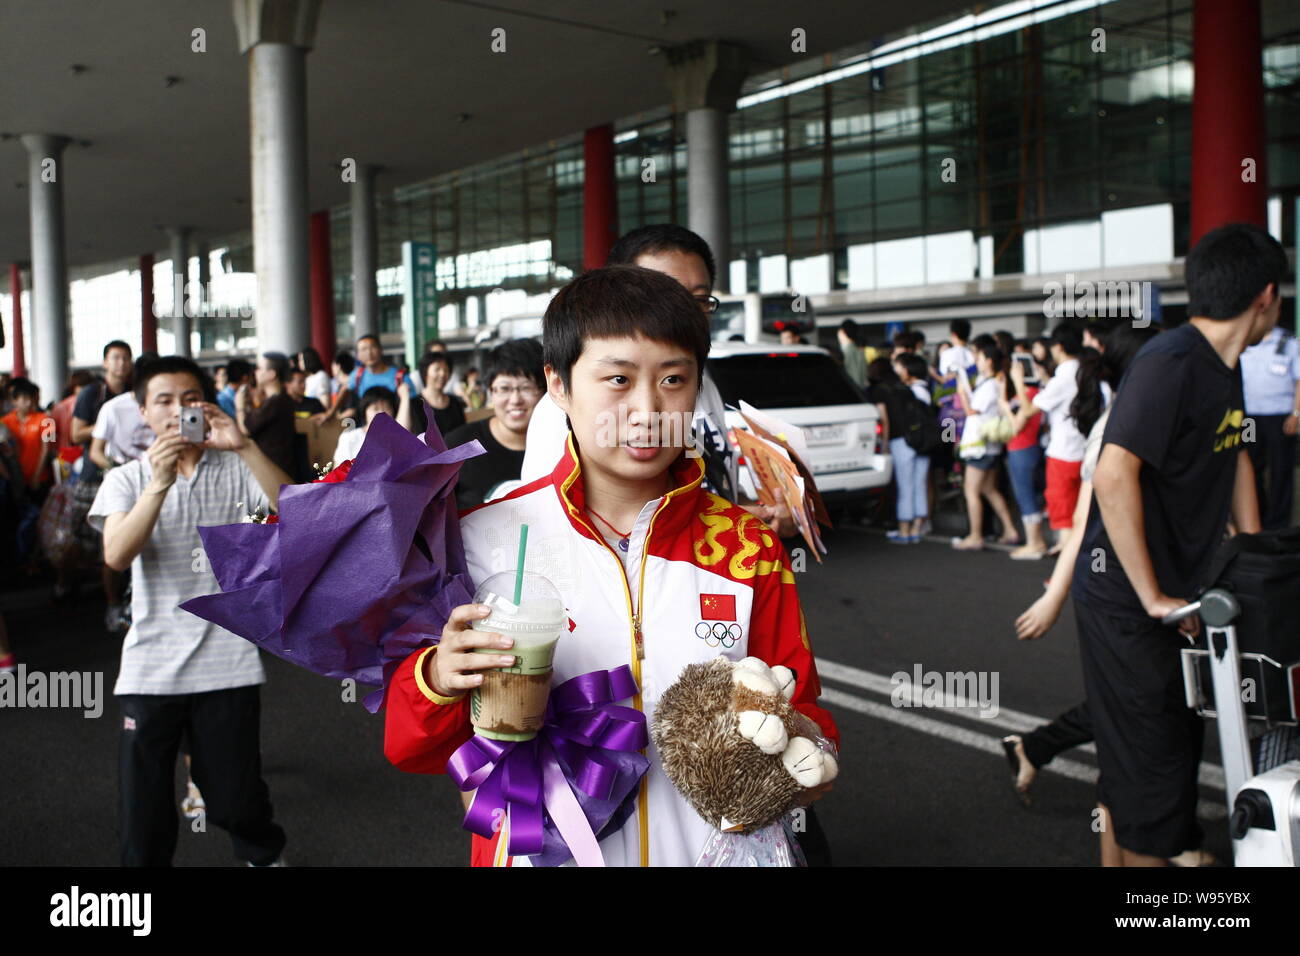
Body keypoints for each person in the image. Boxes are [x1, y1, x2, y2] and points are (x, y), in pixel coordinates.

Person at [383, 265, 839, 867]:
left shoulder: (746, 544)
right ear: (560, 385)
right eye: (618, 379)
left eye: (673, 379)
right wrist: (440, 678)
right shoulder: (481, 539)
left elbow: (805, 714)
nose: (648, 408)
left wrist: (795, 752)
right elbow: (407, 745)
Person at [1073, 222, 1277, 867]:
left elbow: (1235, 452)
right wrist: (1155, 597)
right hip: (1128, 602)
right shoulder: (1171, 361)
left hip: (1175, 600)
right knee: (1157, 777)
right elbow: (1112, 472)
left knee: (1148, 769)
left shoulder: (1225, 368)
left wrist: (1252, 553)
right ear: (1267, 295)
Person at [88, 355, 291, 866]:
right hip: (150, 665)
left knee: (234, 798)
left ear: (206, 405)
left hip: (227, 659)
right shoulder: (127, 479)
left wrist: (244, 445)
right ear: (142, 413)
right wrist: (157, 483)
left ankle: (262, 853)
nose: (178, 411)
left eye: (189, 399)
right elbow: (116, 554)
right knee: (144, 806)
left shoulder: (235, 463)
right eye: (164, 400)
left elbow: (297, 511)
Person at [519, 223, 794, 538]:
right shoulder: (571, 408)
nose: (686, 312)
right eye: (667, 293)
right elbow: (551, 522)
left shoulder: (705, 383)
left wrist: (757, 513)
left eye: (700, 299)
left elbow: (716, 482)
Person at [445, 339, 545, 509]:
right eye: (504, 389)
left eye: (527, 388)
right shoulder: (458, 447)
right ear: (490, 391)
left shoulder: (565, 446)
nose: (515, 400)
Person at [952, 342, 1018, 550]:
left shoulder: (990, 385)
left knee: (971, 490)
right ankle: (1010, 530)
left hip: (980, 446)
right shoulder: (992, 382)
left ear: (988, 361)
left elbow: (972, 411)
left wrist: (961, 392)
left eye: (979, 358)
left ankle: (975, 536)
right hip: (990, 446)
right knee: (989, 489)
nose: (976, 362)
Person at [1032, 324, 1091, 549]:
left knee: (1064, 515)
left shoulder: (1064, 376)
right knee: (1078, 513)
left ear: (1058, 347)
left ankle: (1065, 578)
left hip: (1063, 453)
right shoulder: (1086, 371)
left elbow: (1031, 408)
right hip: (1084, 451)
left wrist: (1018, 380)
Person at [1239, 323, 1299, 529]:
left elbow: (1299, 380)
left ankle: (1279, 523)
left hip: (1279, 416)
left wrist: (1296, 413)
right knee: (1248, 465)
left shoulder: (1288, 342)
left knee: (1281, 469)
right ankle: (1257, 517)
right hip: (1249, 417)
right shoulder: (1243, 340)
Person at [885, 352, 933, 544]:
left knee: (905, 486)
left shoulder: (905, 391)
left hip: (905, 442)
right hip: (923, 444)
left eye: (899, 366)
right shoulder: (926, 390)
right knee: (919, 485)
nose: (897, 371)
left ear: (908, 370)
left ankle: (904, 530)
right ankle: (916, 529)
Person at [72, 341, 134, 481]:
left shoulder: (133, 394)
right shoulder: (90, 393)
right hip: (95, 472)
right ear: (105, 362)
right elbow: (76, 435)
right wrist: (107, 425)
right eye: (116, 358)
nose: (122, 363)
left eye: (126, 358)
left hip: (127, 470)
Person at [90, 352, 159, 475]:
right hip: (124, 484)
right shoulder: (113, 408)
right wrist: (120, 473)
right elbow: (96, 452)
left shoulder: (169, 407)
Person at [236, 351, 298, 480]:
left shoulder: (274, 403)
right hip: (280, 469)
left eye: (259, 368)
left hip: (273, 471)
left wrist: (239, 406)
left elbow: (245, 429)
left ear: (272, 374)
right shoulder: (282, 399)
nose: (256, 372)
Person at [2, 378, 53, 496]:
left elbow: (47, 449)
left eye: (30, 398)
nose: (29, 402)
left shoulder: (47, 420)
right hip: (15, 478)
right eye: (24, 399)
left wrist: (37, 475)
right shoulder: (4, 422)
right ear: (13, 401)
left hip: (40, 477)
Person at [402, 350, 467, 440]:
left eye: (446, 370)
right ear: (425, 372)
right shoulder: (415, 404)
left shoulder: (456, 403)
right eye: (437, 369)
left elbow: (463, 435)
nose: (443, 374)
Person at [333, 385, 404, 465]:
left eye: (386, 408)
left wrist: (405, 397)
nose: (381, 413)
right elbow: (338, 471)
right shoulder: (349, 438)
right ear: (364, 411)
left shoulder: (396, 438)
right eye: (375, 408)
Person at [838, 319, 868, 390]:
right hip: (861, 390)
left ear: (842, 332)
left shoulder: (846, 350)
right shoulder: (859, 349)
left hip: (852, 389)